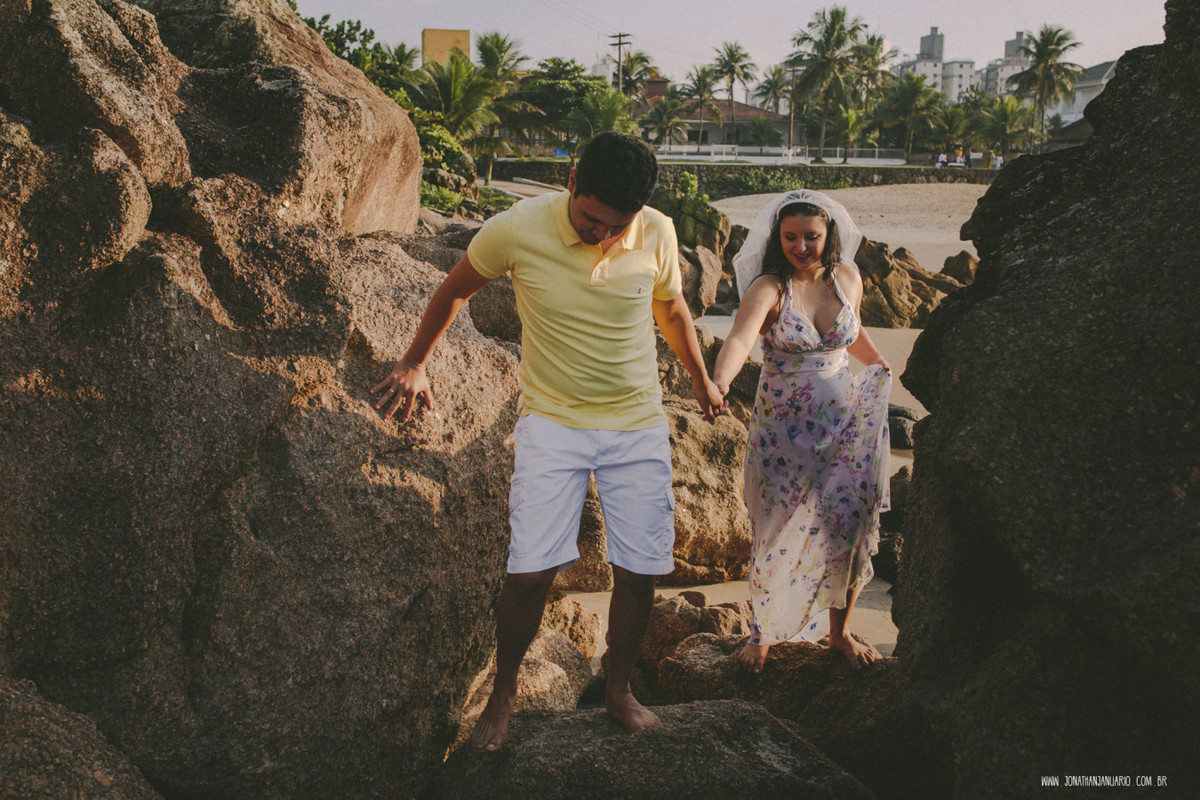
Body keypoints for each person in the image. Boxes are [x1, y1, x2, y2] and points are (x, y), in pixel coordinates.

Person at [372, 132, 725, 751]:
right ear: (570, 186)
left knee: (639, 570)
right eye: (591, 220)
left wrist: (700, 381)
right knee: (530, 572)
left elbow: (671, 311)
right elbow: (454, 290)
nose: (601, 236)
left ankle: (617, 691)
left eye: (615, 227)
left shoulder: (659, 233)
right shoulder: (516, 228)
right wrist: (415, 362)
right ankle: (503, 691)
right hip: (553, 422)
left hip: (637, 422)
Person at [712, 190, 891, 674]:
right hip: (783, 434)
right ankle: (762, 633)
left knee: (850, 524)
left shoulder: (848, 278)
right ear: (778, 238)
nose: (801, 246)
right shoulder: (769, 288)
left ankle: (839, 633)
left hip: (846, 425)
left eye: (811, 236)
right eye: (790, 237)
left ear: (828, 234)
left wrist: (880, 366)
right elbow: (740, 339)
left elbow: (856, 334)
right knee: (774, 527)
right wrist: (720, 382)